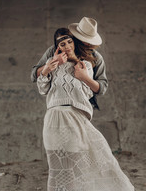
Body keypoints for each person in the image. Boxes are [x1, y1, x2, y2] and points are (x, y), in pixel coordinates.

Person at [35, 17, 134, 190]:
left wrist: (82, 74)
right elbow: (39, 84)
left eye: (69, 42)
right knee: (59, 170)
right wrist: (47, 69)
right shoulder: (52, 56)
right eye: (63, 43)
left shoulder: (89, 62)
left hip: (76, 118)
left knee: (89, 162)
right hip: (53, 119)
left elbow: (95, 90)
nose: (67, 46)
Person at [31, 17, 108, 109]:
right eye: (83, 39)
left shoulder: (96, 57)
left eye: (89, 41)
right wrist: (54, 62)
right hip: (58, 105)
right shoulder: (55, 50)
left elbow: (101, 88)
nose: (87, 44)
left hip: (83, 105)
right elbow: (34, 75)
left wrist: (85, 78)